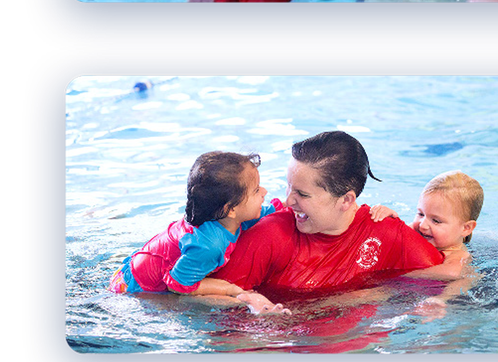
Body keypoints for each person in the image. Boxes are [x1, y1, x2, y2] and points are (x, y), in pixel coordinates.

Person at [210, 131, 465, 300]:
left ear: (346, 200)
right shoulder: (269, 235)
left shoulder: (387, 233)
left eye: (302, 194)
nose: (288, 201)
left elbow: (457, 273)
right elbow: (203, 300)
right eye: (288, 186)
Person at [108, 151, 288, 313]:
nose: (264, 192)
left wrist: (288, 204)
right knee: (231, 298)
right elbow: (177, 285)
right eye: (256, 190)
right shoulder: (210, 245)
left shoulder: (223, 216)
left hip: (135, 268)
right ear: (230, 209)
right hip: (137, 289)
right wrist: (229, 289)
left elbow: (266, 211)